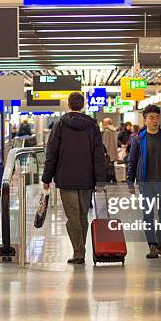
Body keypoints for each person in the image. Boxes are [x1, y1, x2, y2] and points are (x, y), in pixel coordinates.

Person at [42, 92, 105, 264]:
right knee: (83, 215)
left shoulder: (60, 124)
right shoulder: (92, 125)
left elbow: (52, 153)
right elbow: (98, 154)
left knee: (73, 217)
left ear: (68, 105)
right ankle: (80, 249)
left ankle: (79, 252)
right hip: (86, 178)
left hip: (66, 177)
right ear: (83, 105)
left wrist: (46, 177)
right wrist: (100, 180)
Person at [127, 105, 161, 259]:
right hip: (146, 183)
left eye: (157, 117)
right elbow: (132, 161)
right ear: (145, 120)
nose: (155, 121)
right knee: (148, 215)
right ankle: (152, 245)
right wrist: (130, 181)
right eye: (151, 117)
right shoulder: (138, 139)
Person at [101, 118, 118, 183]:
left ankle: (109, 178)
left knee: (107, 166)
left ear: (107, 123)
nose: (103, 124)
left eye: (104, 122)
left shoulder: (107, 131)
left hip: (108, 151)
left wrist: (104, 152)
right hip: (113, 150)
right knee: (112, 165)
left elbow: (105, 143)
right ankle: (114, 178)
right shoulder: (114, 130)